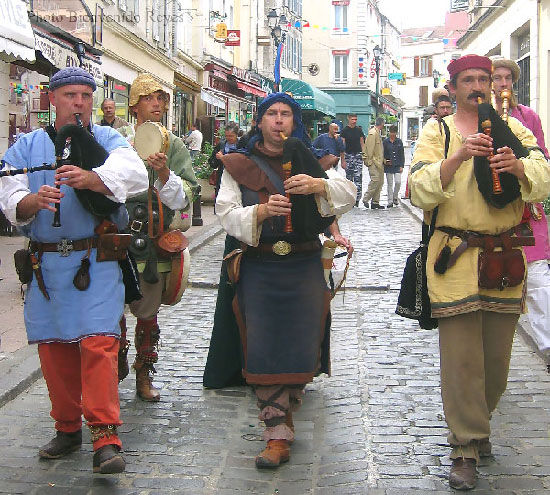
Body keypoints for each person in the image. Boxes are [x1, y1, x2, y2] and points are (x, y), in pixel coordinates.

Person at [409, 54, 550, 490]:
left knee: (496, 362)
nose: (476, 86)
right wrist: (458, 158)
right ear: (453, 88)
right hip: (454, 257)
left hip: (504, 258)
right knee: (462, 361)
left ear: (493, 85)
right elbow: (419, 189)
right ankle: (465, 446)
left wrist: (520, 167)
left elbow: (544, 175)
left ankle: (478, 423)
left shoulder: (514, 128)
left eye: (483, 79)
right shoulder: (439, 130)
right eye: (467, 79)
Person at [0, 67, 148, 473]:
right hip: (45, 263)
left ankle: (105, 437)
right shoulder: (26, 145)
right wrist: (30, 202)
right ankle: (67, 427)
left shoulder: (107, 139)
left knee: (99, 343)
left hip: (96, 260)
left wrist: (92, 177)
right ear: (53, 100)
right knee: (54, 347)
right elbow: (8, 193)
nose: (78, 103)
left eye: (85, 95)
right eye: (70, 95)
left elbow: (134, 174)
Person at [215, 92, 355, 468]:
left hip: (305, 263)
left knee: (299, 341)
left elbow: (347, 194)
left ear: (294, 122)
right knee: (262, 343)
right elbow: (226, 212)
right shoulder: (238, 164)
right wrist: (259, 211)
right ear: (260, 122)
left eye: (286, 114)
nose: (279, 120)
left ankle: (288, 402)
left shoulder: (312, 159)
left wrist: (319, 187)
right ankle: (276, 432)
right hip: (260, 266)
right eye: (272, 114)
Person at [118, 73, 198, 402]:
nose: (157, 104)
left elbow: (187, 194)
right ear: (135, 104)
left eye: (161, 99)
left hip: (151, 242)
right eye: (150, 98)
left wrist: (165, 173)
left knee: (147, 314)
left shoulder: (173, 144)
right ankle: (113, 366)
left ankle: (143, 375)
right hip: (116, 236)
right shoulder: (116, 139)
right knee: (108, 312)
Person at [491, 57, 550, 362]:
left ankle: (548, 347)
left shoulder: (528, 116)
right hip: (493, 209)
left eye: (507, 79)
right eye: (496, 78)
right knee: (499, 279)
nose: (502, 84)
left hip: (528, 207)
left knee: (539, 279)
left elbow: (542, 158)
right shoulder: (482, 117)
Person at [208, 122, 240, 196]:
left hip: (237, 178)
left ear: (236, 135)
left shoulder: (241, 145)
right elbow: (212, 163)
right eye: (226, 136)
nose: (228, 138)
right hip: (222, 179)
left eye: (231, 136)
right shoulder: (221, 145)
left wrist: (224, 157)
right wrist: (217, 158)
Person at [341, 113, 365, 206]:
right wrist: (342, 160)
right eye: (352, 119)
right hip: (348, 155)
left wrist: (364, 155)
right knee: (349, 178)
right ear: (349, 119)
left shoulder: (359, 130)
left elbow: (362, 143)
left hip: (358, 156)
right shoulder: (344, 131)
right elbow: (342, 146)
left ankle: (357, 199)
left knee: (358, 178)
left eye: (355, 119)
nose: (354, 121)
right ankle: (350, 198)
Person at [362, 117, 385, 209]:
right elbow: (369, 148)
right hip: (374, 162)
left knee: (380, 182)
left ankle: (375, 202)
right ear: (382, 124)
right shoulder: (373, 133)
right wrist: (368, 161)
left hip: (379, 162)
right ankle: (366, 198)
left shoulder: (377, 133)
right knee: (375, 180)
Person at [382, 125, 404, 208]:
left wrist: (402, 165)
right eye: (391, 132)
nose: (392, 134)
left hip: (397, 164)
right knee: (389, 183)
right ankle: (390, 201)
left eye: (394, 133)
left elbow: (402, 154)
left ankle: (395, 196)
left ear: (396, 133)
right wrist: (385, 161)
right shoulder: (385, 142)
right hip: (388, 165)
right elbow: (383, 153)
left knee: (398, 182)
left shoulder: (399, 142)